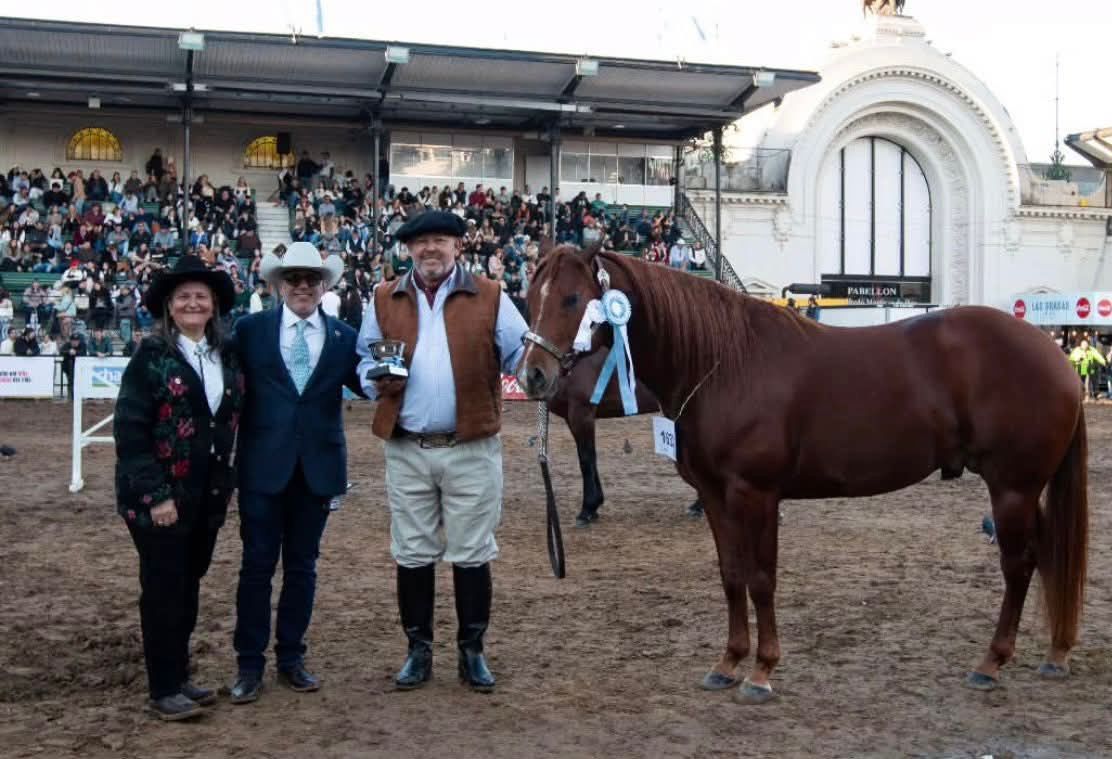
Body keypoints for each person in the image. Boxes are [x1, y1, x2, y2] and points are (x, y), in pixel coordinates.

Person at [356, 210, 529, 693]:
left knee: (472, 552)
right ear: (409, 249)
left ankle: (472, 651)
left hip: (470, 446)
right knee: (412, 552)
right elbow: (364, 355)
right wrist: (374, 379)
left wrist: (540, 368)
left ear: (458, 246)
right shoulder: (384, 297)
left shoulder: (491, 296)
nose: (430, 249)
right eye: (421, 242)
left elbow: (519, 353)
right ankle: (418, 650)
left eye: (440, 240)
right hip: (407, 447)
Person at [228, 241, 364, 704]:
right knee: (256, 567)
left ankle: (291, 657)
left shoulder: (345, 337)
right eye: (294, 279)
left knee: (303, 567)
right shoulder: (249, 331)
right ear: (278, 285)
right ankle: (249, 663)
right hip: (262, 469)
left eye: (311, 279)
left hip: (317, 469)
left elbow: (367, 383)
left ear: (323, 286)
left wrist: (393, 376)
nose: (303, 286)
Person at [112, 256, 244, 721]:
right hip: (160, 497)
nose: (193, 303)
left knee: (188, 584)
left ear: (213, 306)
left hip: (207, 494)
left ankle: (179, 672)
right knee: (163, 587)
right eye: (183, 296)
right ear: (169, 306)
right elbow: (130, 431)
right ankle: (163, 686)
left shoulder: (226, 355)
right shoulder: (150, 357)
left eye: (200, 296)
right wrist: (157, 495)